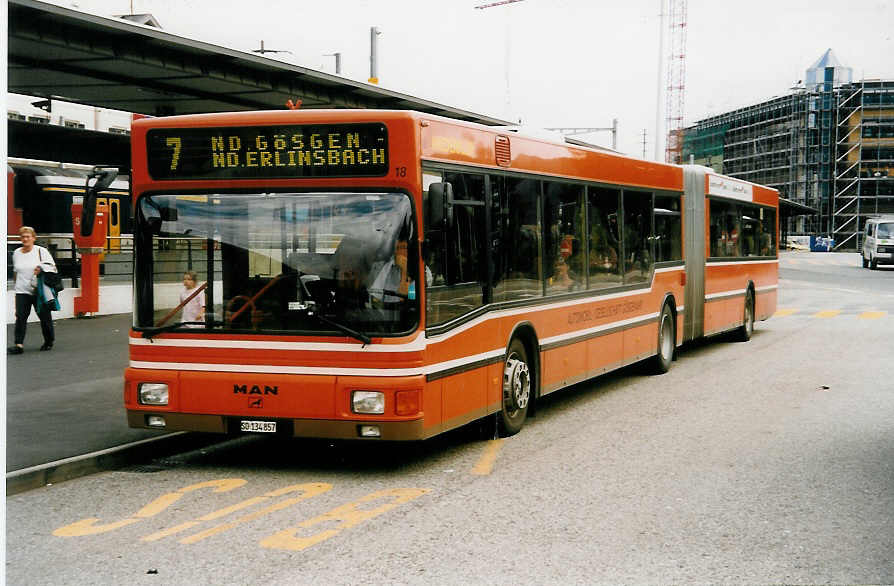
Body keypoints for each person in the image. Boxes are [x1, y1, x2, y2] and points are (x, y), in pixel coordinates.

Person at [9, 226, 58, 354]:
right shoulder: (17, 253)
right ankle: (18, 344)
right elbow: (16, 271)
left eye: (28, 237)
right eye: (23, 237)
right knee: (20, 317)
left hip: (39, 290)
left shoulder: (41, 251)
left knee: (44, 316)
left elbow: (53, 268)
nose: (25, 239)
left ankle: (49, 341)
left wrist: (41, 268)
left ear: (33, 238)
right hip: (22, 290)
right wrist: (16, 285)